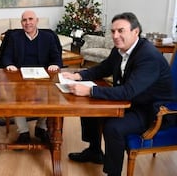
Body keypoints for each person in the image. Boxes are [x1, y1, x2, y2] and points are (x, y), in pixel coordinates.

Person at [62, 12, 176, 176]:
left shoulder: (148, 57)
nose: (115, 36)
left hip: (154, 111)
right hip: (134, 101)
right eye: (113, 31)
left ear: (135, 32)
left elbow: (128, 91)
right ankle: (94, 151)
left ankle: (113, 173)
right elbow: (103, 68)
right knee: (90, 108)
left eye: (121, 31)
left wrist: (90, 90)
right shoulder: (120, 49)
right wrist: (79, 76)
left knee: (113, 127)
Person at [1, 10, 63, 144]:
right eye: (24, 20)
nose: (27, 22)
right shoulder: (14, 37)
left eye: (30, 19)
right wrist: (9, 65)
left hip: (42, 79)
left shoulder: (48, 37)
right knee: (14, 98)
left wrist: (54, 64)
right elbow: (6, 57)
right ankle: (23, 132)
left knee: (51, 97)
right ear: (21, 22)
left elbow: (57, 58)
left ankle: (41, 127)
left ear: (37, 21)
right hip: (20, 78)